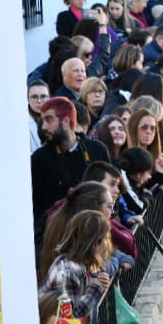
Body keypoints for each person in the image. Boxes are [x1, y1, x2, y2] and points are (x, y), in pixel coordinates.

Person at [31, 98, 109, 244]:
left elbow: (112, 187)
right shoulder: (39, 159)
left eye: (49, 120)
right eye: (43, 120)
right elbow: (35, 206)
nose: (44, 127)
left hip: (95, 235)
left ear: (66, 121)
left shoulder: (96, 150)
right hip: (57, 240)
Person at [39, 210, 113, 324]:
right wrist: (94, 288)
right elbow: (71, 319)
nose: (106, 244)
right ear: (93, 242)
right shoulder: (69, 272)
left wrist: (96, 280)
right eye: (104, 238)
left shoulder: (80, 265)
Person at [27, 80, 49, 152]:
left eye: (43, 96)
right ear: (28, 99)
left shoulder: (57, 118)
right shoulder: (23, 121)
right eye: (34, 97)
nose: (39, 101)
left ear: (49, 98)